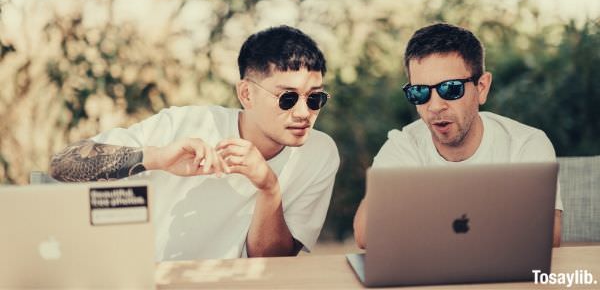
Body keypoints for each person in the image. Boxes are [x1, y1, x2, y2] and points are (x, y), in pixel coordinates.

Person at [49, 25, 340, 261]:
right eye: (287, 98)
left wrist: (269, 187)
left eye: (315, 98)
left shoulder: (319, 153)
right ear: (246, 94)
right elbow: (63, 165)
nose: (304, 113)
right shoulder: (186, 124)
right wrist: (157, 157)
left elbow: (272, 263)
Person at [353, 23, 563, 248]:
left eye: (450, 89)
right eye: (420, 92)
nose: (434, 106)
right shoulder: (405, 145)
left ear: (481, 87)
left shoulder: (524, 144)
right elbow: (366, 234)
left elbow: (549, 233)